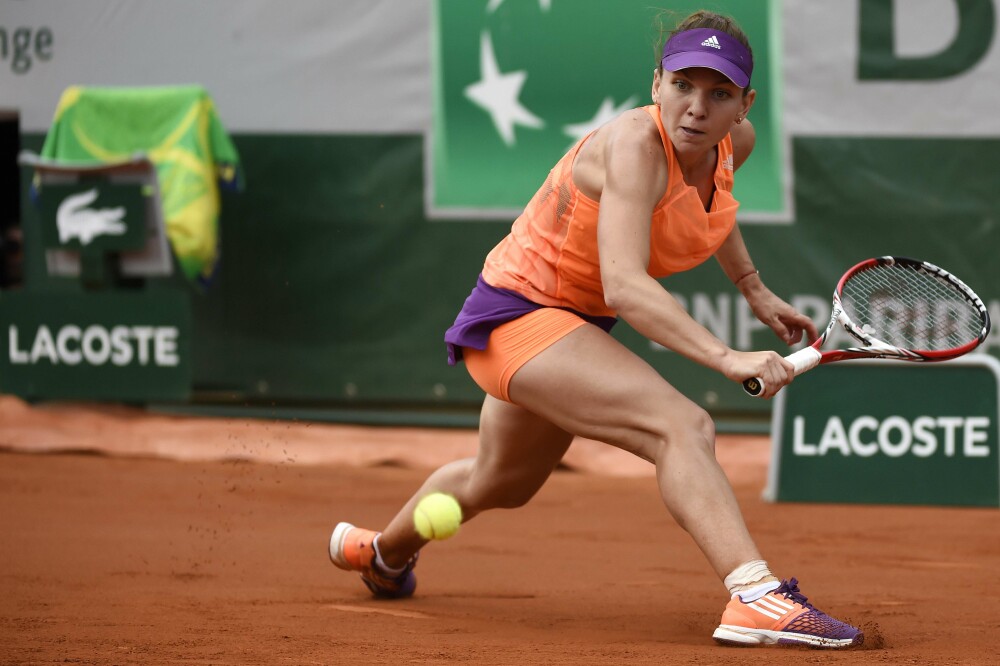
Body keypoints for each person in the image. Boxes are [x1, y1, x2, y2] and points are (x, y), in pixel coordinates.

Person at [329, 10, 863, 649]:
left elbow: (711, 206)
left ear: (744, 106)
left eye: (718, 93)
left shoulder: (731, 145)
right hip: (516, 317)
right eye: (683, 86)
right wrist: (726, 358)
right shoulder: (634, 146)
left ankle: (382, 555)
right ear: (656, 83)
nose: (697, 108)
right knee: (683, 426)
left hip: (571, 324)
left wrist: (751, 287)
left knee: (499, 481)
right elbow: (626, 286)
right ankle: (755, 596)